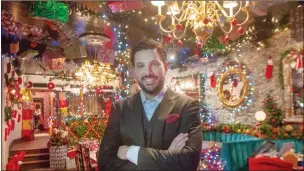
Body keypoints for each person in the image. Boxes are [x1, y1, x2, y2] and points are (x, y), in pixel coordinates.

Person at [98, 39, 202, 170]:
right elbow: (104, 162)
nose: (148, 72)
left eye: (154, 64)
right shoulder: (120, 108)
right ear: (134, 70)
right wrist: (168, 158)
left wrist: (131, 152)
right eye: (140, 65)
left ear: (165, 67)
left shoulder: (187, 106)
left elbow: (189, 162)